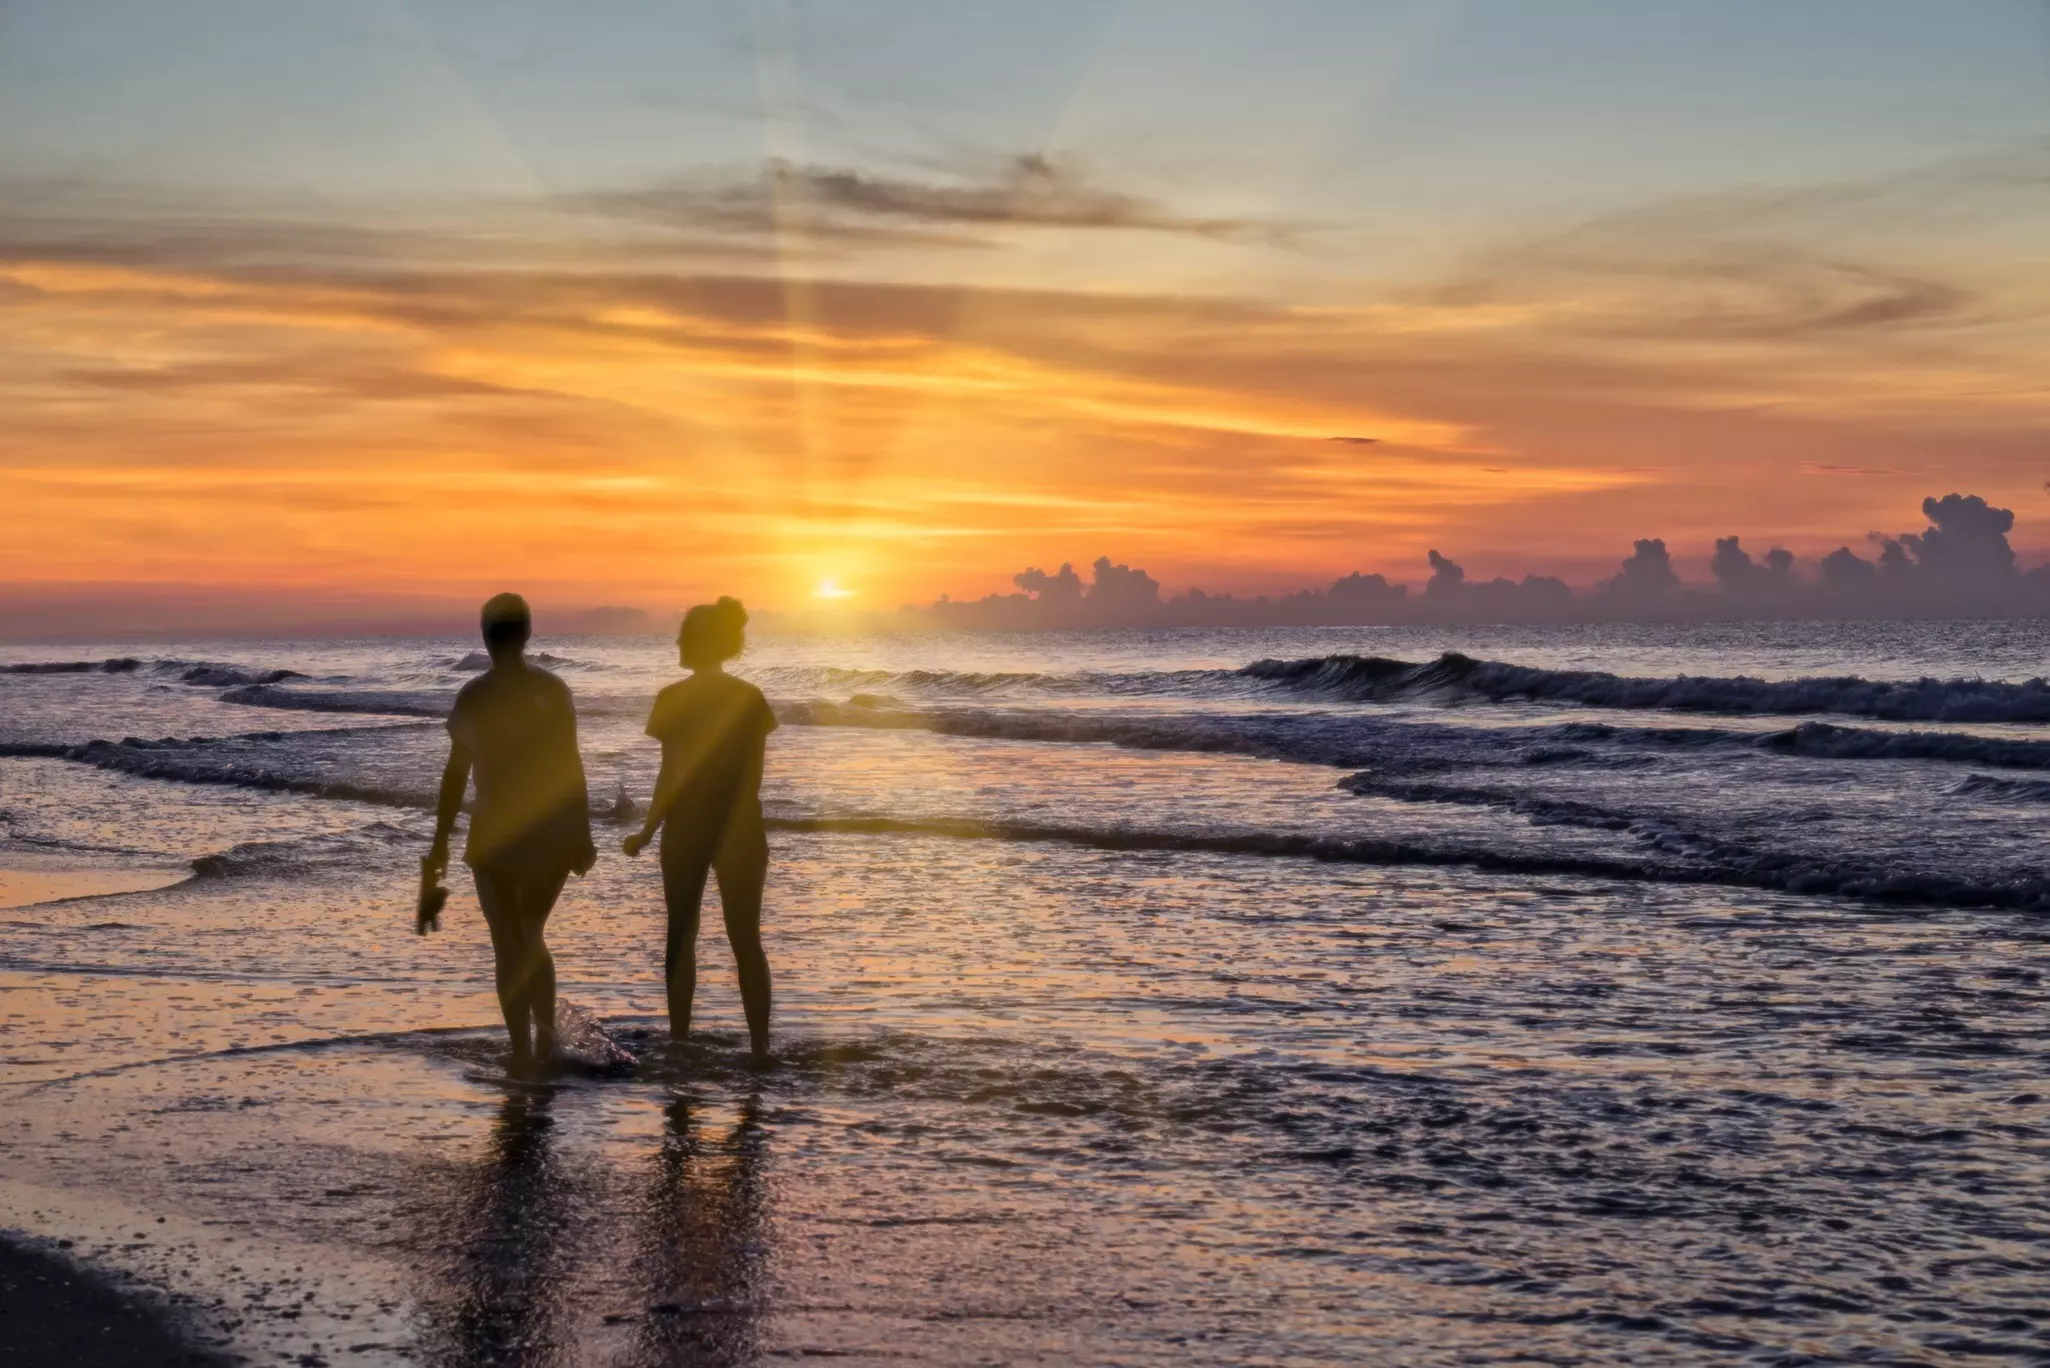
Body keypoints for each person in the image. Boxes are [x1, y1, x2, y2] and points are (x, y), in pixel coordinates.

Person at [426, 593, 596, 1069]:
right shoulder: (554, 690)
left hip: (496, 833)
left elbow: (456, 773)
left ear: (485, 636)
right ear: (526, 635)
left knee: (508, 942)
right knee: (531, 934)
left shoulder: (475, 695)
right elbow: (571, 764)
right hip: (553, 831)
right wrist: (582, 832)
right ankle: (544, 1045)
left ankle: (523, 1050)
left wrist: (440, 840)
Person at [622, 597, 777, 1059]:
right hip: (738, 828)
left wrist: (650, 830)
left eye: (684, 636)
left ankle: (681, 1041)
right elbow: (750, 775)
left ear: (702, 642)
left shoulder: (675, 698)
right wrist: (649, 832)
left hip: (693, 827)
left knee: (681, 934)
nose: (677, 642)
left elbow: (671, 774)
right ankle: (760, 1048)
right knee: (744, 939)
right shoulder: (747, 696)